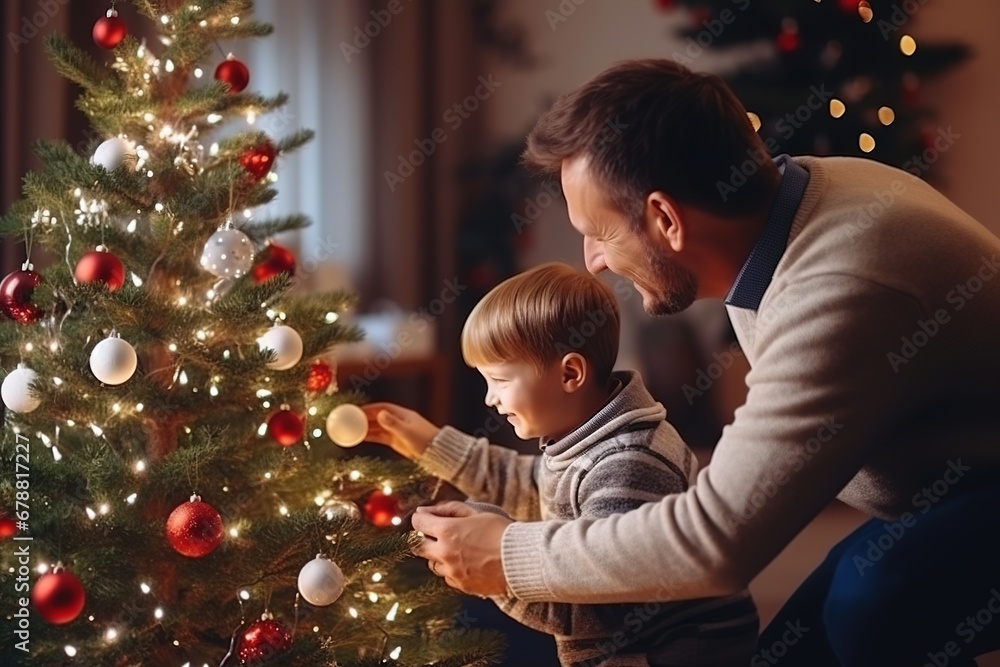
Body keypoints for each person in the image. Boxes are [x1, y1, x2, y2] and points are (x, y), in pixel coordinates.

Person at [410, 58, 1000, 666]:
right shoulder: (794, 209)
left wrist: (509, 556)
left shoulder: (840, 285)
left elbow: (716, 543)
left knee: (872, 607)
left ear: (665, 219)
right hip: (945, 492)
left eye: (601, 233)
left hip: (981, 491)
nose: (593, 262)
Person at [365, 262, 759, 666]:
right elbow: (529, 485)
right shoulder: (586, 434)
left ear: (570, 373)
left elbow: (599, 609)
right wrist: (431, 443)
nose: (489, 398)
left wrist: (493, 571)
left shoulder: (628, 462)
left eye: (500, 380)